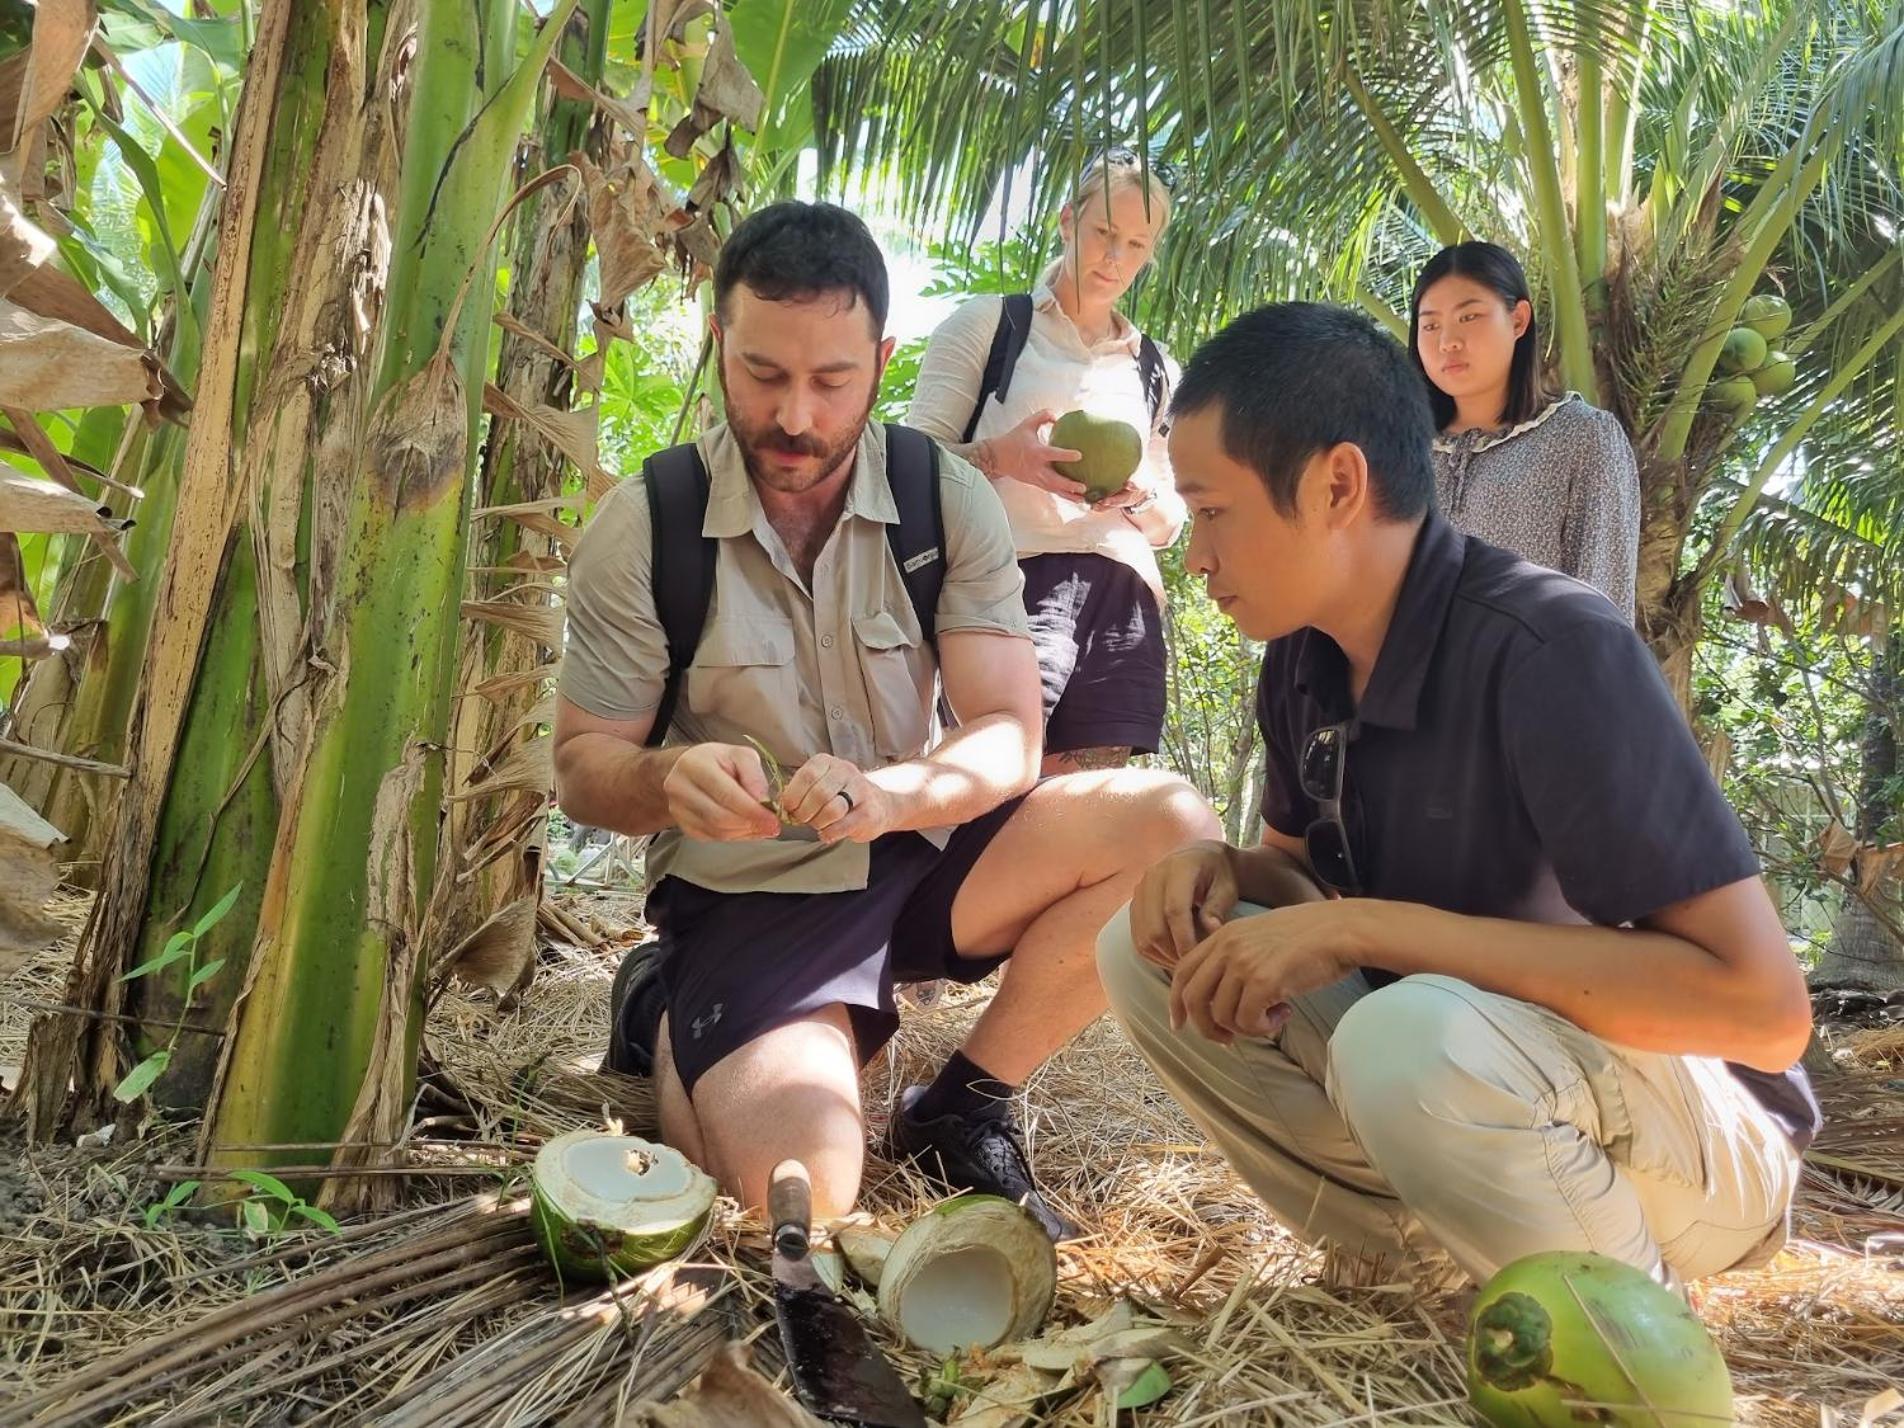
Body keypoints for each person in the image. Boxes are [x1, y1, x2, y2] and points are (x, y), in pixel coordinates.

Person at [1096, 302, 1819, 1291]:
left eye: (1211, 510)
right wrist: (1217, 869)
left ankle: (1615, 1338)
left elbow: (1761, 1012)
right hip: (1467, 1087)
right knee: (1148, 953)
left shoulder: (1550, 650)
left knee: (1405, 1037)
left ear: (1335, 484)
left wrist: (1367, 932)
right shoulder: (1300, 661)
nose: (1196, 557)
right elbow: (1302, 886)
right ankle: (1419, 1256)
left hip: (1699, 1145)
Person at [553, 201, 1218, 1239]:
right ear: (720, 343)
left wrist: (889, 794)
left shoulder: (940, 498)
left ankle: (965, 1101)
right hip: (754, 893)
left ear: (882, 357)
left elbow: (1006, 729)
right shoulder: (646, 525)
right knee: (808, 1192)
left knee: (1171, 827)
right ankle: (667, 1006)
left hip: (914, 853)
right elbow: (584, 765)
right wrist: (657, 782)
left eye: (832, 380)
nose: (797, 420)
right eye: (763, 375)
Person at [907, 148, 1185, 775]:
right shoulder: (989, 326)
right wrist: (1004, 457)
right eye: (1104, 234)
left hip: (1126, 598)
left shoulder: (1156, 369)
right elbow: (908, 465)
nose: (1116, 258)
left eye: (1137, 245)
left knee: (1088, 808)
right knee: (989, 787)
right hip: (1008, 579)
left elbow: (1171, 519)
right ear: (1066, 222)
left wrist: (1136, 495)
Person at [1411, 241, 1641, 619]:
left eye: (1469, 317)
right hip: (1405, 677)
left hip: (1534, 676)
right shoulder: (1398, 451)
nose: (1447, 341)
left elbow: (1605, 605)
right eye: (1430, 324)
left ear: (1518, 320)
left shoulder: (1582, 436)